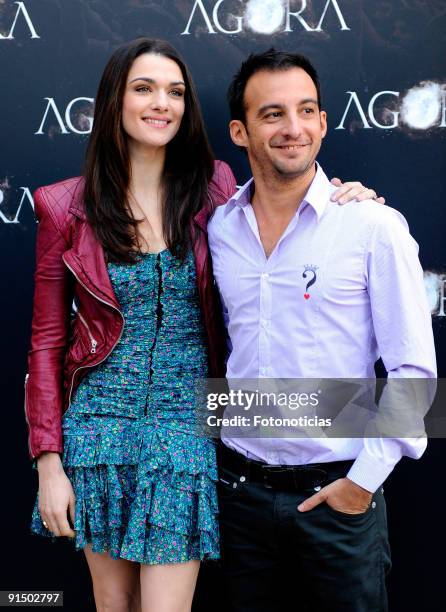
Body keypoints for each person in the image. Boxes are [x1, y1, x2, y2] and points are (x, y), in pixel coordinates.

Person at [25, 38, 380, 612]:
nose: (161, 103)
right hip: (96, 433)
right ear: (115, 100)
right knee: (113, 606)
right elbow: (46, 342)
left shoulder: (213, 188)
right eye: (143, 89)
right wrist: (48, 463)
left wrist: (346, 196)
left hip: (189, 427)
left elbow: (286, 191)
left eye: (175, 92)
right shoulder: (64, 205)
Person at [208, 49, 436, 612]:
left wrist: (363, 483)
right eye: (272, 114)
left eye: (307, 110)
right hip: (237, 497)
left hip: (338, 496)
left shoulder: (372, 226)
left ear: (324, 123)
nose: (293, 128)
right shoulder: (217, 228)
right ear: (240, 131)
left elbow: (413, 372)